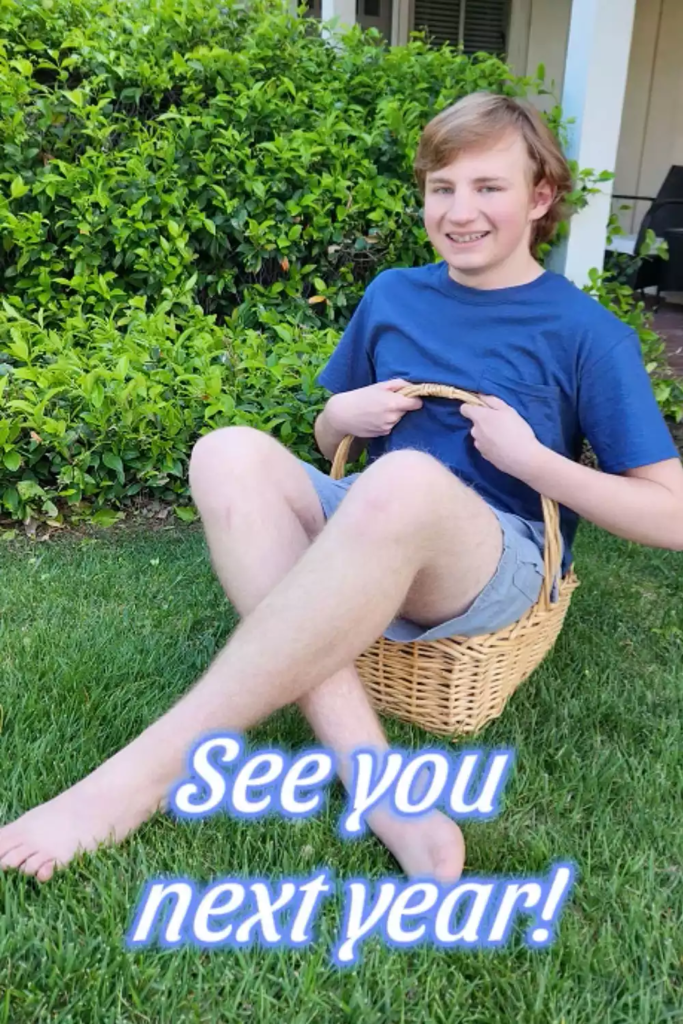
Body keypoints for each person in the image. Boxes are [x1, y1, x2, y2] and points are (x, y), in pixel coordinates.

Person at [1, 92, 682, 885]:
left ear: (539, 198)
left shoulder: (586, 333)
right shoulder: (394, 294)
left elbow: (670, 516)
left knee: (402, 478)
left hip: (490, 560)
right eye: (441, 187)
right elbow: (334, 446)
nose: (459, 211)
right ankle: (375, 781)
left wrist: (535, 463)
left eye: (487, 187)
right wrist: (337, 416)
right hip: (373, 521)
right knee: (226, 451)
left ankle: (145, 771)